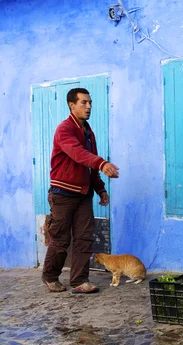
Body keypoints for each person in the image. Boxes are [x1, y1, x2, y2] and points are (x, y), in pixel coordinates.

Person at [42, 88, 119, 294]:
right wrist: (102, 163)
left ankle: (79, 281)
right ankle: (50, 277)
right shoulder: (64, 129)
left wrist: (100, 189)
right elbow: (78, 154)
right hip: (63, 194)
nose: (88, 106)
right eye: (84, 102)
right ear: (71, 105)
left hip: (84, 194)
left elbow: (89, 163)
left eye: (90, 103)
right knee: (61, 238)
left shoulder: (88, 131)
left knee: (84, 237)